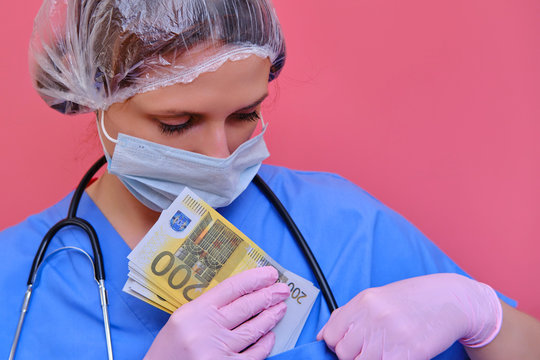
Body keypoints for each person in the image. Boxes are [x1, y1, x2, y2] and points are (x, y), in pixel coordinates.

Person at [1, 0, 539, 359]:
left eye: (244, 115)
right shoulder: (15, 277)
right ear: (97, 98)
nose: (219, 154)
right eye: (177, 123)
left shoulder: (342, 224)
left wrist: (480, 313)